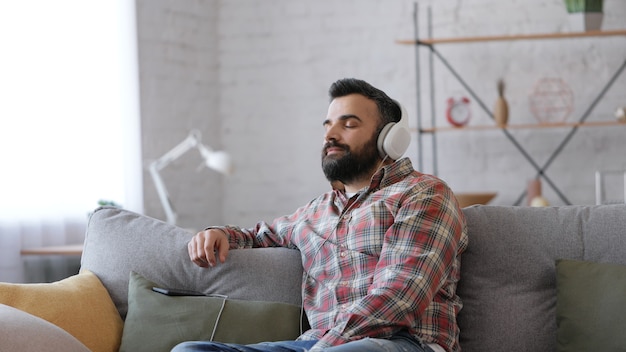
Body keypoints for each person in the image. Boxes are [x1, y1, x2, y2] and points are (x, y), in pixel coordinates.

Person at [173, 78, 468, 352]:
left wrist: (326, 347)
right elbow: (260, 235)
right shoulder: (316, 211)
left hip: (401, 342)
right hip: (317, 344)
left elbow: (401, 296)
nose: (330, 135)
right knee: (188, 351)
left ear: (389, 138)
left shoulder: (424, 194)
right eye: (327, 125)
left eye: (348, 124)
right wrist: (219, 234)